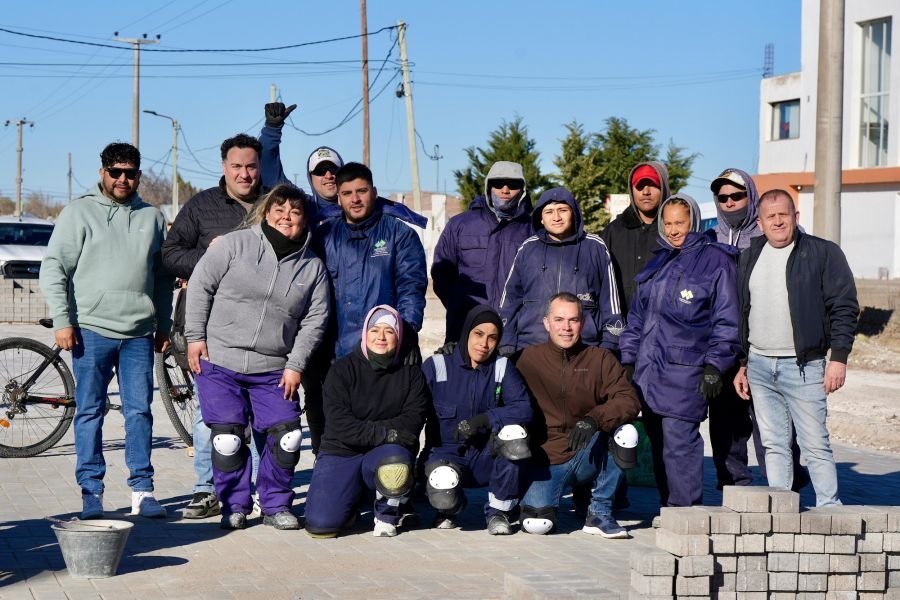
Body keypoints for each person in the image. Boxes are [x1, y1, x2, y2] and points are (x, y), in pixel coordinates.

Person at [39, 142, 173, 520]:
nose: (122, 179)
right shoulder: (79, 212)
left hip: (138, 334)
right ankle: (91, 492)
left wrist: (164, 324)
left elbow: (162, 279)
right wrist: (63, 320)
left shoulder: (152, 218)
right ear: (102, 173)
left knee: (139, 412)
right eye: (115, 172)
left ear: (138, 176)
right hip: (92, 330)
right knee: (89, 412)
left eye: (130, 172)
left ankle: (143, 491)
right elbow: (54, 270)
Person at [184, 184, 330, 530]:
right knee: (228, 439)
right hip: (220, 359)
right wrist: (195, 338)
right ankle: (234, 504)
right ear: (266, 213)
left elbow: (315, 320)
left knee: (289, 436)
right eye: (279, 210)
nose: (286, 218)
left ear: (304, 221)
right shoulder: (235, 245)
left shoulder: (312, 268)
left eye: (294, 213)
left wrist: (296, 365)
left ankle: (275, 504)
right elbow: (201, 284)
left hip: (274, 367)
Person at [162, 133, 266, 520]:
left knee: (258, 413)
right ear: (223, 167)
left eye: (251, 166)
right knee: (213, 413)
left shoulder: (273, 203)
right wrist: (209, 257)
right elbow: (170, 255)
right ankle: (206, 489)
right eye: (236, 166)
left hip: (259, 328)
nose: (244, 173)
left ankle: (254, 488)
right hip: (206, 327)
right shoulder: (201, 206)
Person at [733, 189, 858, 507]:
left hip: (804, 366)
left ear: (795, 217)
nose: (777, 222)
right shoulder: (751, 255)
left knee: (815, 442)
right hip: (760, 365)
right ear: (760, 222)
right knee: (774, 444)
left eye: (783, 215)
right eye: (770, 216)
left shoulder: (822, 253)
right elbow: (744, 312)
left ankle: (830, 507)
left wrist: (838, 358)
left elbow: (844, 306)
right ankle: (782, 511)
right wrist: (743, 363)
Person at [619, 194, 740, 507]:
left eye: (680, 223)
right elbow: (637, 318)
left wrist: (715, 366)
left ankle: (686, 514)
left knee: (679, 446)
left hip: (686, 373)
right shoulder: (659, 260)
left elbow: (727, 321)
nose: (673, 230)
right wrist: (628, 359)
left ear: (694, 222)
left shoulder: (716, 262)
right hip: (649, 371)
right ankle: (668, 508)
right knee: (658, 445)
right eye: (668, 223)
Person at [708, 169, 807, 492]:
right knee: (727, 425)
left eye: (737, 195)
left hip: (767, 345)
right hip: (724, 346)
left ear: (751, 196)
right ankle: (734, 487)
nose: (730, 202)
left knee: (773, 425)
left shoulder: (776, 236)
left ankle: (785, 489)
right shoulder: (710, 240)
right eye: (723, 197)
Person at [516, 293, 640, 537]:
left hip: (586, 452)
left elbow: (628, 399)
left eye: (573, 320)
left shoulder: (600, 358)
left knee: (626, 432)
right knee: (537, 526)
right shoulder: (527, 359)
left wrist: (595, 418)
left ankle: (600, 513)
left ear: (582, 323)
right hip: (546, 458)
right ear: (546, 322)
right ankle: (557, 498)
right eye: (559, 319)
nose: (566, 327)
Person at [304, 305, 428, 538]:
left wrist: (384, 437)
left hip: (385, 452)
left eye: (389, 331)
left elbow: (412, 422)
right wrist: (386, 433)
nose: (381, 337)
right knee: (321, 526)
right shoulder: (342, 370)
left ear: (398, 336)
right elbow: (339, 424)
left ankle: (387, 514)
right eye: (374, 330)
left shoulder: (411, 373)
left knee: (395, 462)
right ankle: (351, 499)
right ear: (365, 333)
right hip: (342, 450)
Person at [420, 305, 532, 534]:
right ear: (466, 334)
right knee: (443, 484)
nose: (484, 344)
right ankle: (450, 508)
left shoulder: (501, 367)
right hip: (447, 455)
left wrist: (486, 419)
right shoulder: (437, 365)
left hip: (486, 455)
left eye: (492, 338)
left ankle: (499, 513)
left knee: (515, 437)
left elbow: (524, 408)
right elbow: (413, 410)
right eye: (478, 334)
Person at [315, 162, 427, 361]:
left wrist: (406, 334)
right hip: (335, 355)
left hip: (384, 353)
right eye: (347, 193)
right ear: (338, 199)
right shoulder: (323, 237)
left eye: (362, 191)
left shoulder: (399, 235)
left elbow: (411, 288)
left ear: (374, 192)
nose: (355, 199)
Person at [258, 101, 426, 230]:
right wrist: (272, 129)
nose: (328, 175)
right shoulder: (303, 206)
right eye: (320, 171)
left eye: (333, 169)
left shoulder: (369, 207)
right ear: (310, 178)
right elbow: (268, 171)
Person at [499, 187, 622, 355]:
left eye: (562, 210)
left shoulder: (595, 247)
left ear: (574, 213)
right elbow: (510, 300)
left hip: (584, 350)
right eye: (549, 212)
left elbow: (610, 303)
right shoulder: (528, 249)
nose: (556, 217)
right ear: (540, 218)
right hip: (531, 349)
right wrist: (506, 342)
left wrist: (609, 345)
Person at [431, 162, 532, 343]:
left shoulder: (532, 230)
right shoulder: (459, 225)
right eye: (498, 183)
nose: (505, 190)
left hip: (515, 335)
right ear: (488, 187)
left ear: (523, 189)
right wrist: (459, 306)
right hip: (465, 329)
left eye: (513, 184)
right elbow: (441, 274)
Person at [600, 162, 671, 315]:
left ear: (663, 187)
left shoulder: (673, 231)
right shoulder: (613, 231)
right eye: (640, 186)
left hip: (664, 329)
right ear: (632, 190)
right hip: (620, 329)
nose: (645, 191)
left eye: (652, 185)